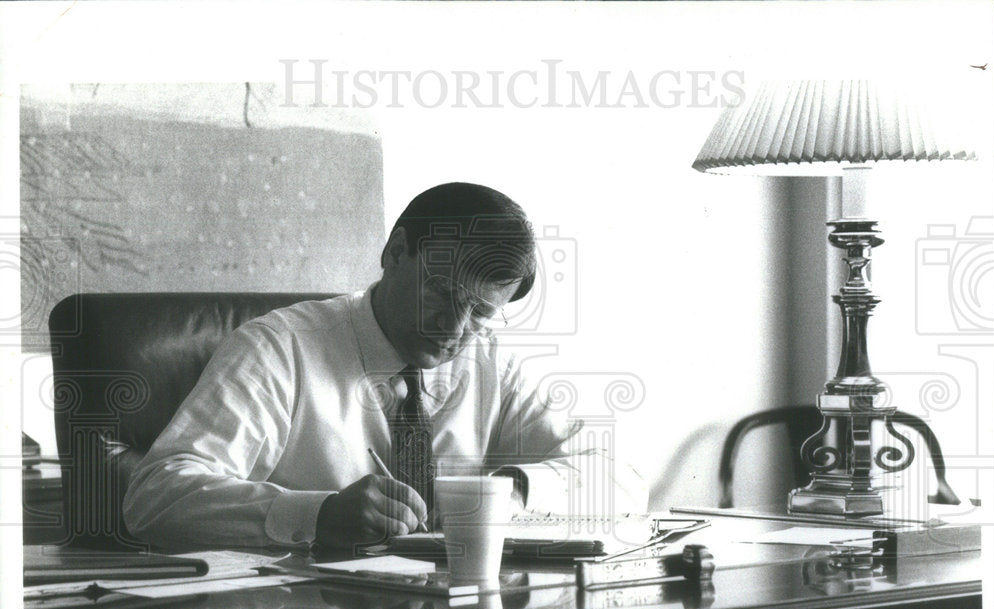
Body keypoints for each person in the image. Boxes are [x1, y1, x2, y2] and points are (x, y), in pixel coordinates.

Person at [123, 183, 646, 551]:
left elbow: (619, 477)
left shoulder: (491, 360)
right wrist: (318, 514)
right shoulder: (279, 347)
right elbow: (157, 498)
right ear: (395, 253)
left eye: (482, 312)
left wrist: (512, 491)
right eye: (440, 292)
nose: (454, 327)